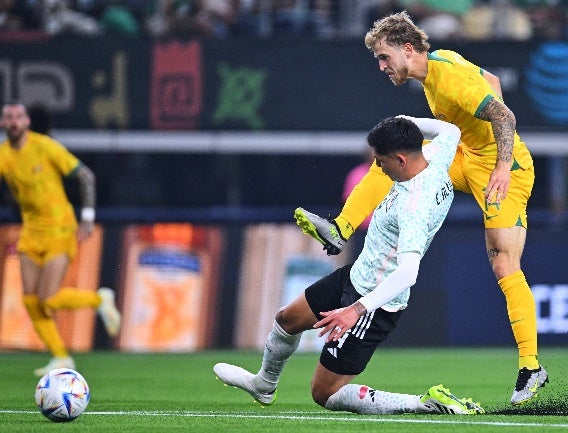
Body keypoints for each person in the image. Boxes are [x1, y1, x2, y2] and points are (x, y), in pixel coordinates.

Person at [293, 11, 547, 406]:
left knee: (504, 265)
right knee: (394, 157)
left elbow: (504, 115)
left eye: (383, 57)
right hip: (465, 156)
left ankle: (531, 367)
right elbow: (493, 84)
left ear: (407, 49)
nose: (381, 66)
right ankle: (340, 226)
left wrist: (500, 165)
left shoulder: (449, 79)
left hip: (505, 168)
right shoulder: (439, 64)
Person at [214, 116, 484, 415]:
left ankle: (424, 403)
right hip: (356, 275)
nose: (377, 168)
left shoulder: (414, 207)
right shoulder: (435, 154)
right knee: (287, 320)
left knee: (324, 392)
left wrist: (354, 310)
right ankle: (264, 385)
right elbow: (451, 130)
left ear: (400, 159)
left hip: (374, 301)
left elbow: (409, 272)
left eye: (381, 162)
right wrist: (401, 121)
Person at [0, 102, 121, 376]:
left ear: (26, 122)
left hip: (61, 229)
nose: (13, 122)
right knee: (30, 300)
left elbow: (86, 176)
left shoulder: (45, 147)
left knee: (48, 299)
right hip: (31, 232)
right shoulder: (0, 155)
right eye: (8, 118)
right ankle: (61, 357)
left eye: (18, 117)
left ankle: (99, 301)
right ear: (2, 124)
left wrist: (87, 217)